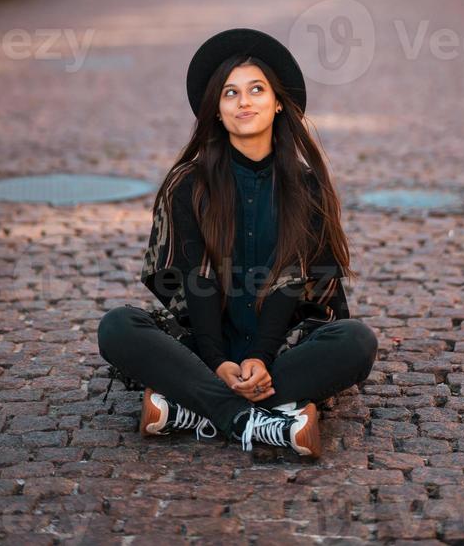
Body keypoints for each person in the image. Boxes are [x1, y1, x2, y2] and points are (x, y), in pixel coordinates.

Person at [97, 27, 378, 458]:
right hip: (203, 346)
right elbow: (193, 283)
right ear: (216, 111)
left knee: (356, 341)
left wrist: (262, 358)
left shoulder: (307, 187)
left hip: (282, 350)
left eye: (256, 90)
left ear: (278, 102)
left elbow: (299, 287)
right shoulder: (187, 184)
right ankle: (256, 420)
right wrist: (217, 362)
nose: (244, 101)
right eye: (230, 93)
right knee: (117, 326)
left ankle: (188, 407)